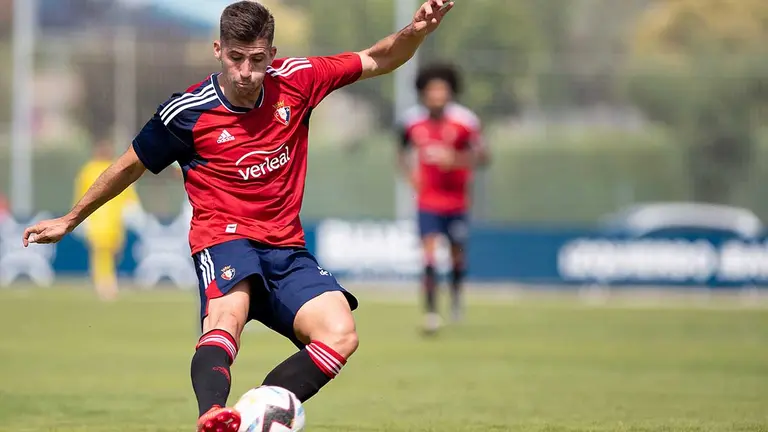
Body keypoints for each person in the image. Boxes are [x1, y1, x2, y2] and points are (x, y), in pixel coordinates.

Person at [22, 1, 455, 430]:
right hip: (222, 237)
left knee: (341, 333)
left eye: (257, 59)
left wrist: (416, 31)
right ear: (218, 50)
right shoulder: (186, 112)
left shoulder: (299, 79)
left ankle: (252, 416)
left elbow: (380, 58)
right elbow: (129, 164)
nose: (246, 72)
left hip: (286, 246)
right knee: (228, 316)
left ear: (272, 53)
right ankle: (211, 415)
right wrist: (70, 218)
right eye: (236, 58)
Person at [397, 62, 489, 334]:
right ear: (423, 93)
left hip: (457, 200)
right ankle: (431, 312)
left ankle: (457, 299)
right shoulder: (411, 122)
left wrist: (457, 159)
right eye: (432, 90)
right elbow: (401, 153)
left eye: (442, 90)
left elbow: (483, 156)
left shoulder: (465, 121)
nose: (437, 95)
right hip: (428, 200)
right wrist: (410, 177)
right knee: (428, 254)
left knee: (456, 255)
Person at [73, 134, 142, 301]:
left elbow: (127, 192)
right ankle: (105, 284)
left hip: (110, 219)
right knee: (101, 253)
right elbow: (82, 193)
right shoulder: (94, 169)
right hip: (101, 219)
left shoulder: (106, 168)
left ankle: (105, 281)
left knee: (109, 252)